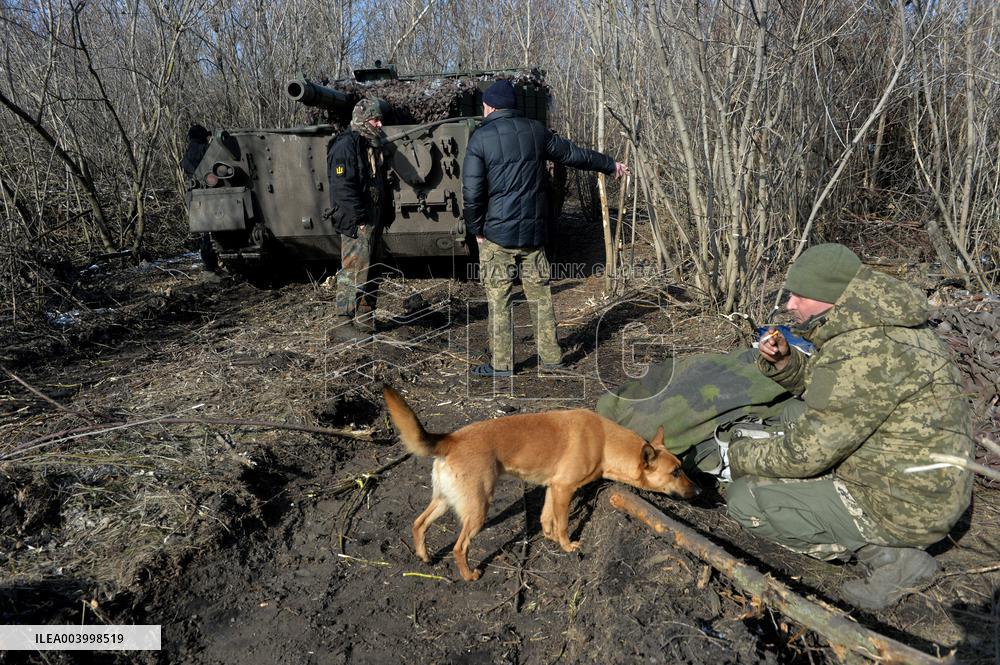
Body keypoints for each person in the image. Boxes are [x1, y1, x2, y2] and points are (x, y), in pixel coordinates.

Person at [713, 243, 973, 610]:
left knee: (745, 499)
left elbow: (805, 455)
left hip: (906, 507)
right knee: (790, 419)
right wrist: (787, 363)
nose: (790, 305)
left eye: (799, 296)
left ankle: (891, 559)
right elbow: (834, 391)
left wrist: (738, 458)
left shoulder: (861, 350)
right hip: (925, 482)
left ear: (829, 296)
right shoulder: (877, 323)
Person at [463, 79, 629, 377]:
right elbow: (574, 155)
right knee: (540, 296)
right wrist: (609, 164)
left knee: (499, 299)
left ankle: (501, 365)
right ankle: (552, 358)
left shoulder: (480, 139)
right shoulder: (536, 131)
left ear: (488, 106)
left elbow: (472, 193)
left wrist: (476, 229)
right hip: (533, 234)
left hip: (497, 236)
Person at [326, 98, 388, 340]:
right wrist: (360, 219)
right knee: (352, 271)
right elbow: (342, 188)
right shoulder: (345, 146)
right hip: (356, 222)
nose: (380, 124)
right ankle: (344, 321)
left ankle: (365, 317)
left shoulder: (370, 144)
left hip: (373, 219)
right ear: (363, 120)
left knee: (373, 269)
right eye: (375, 119)